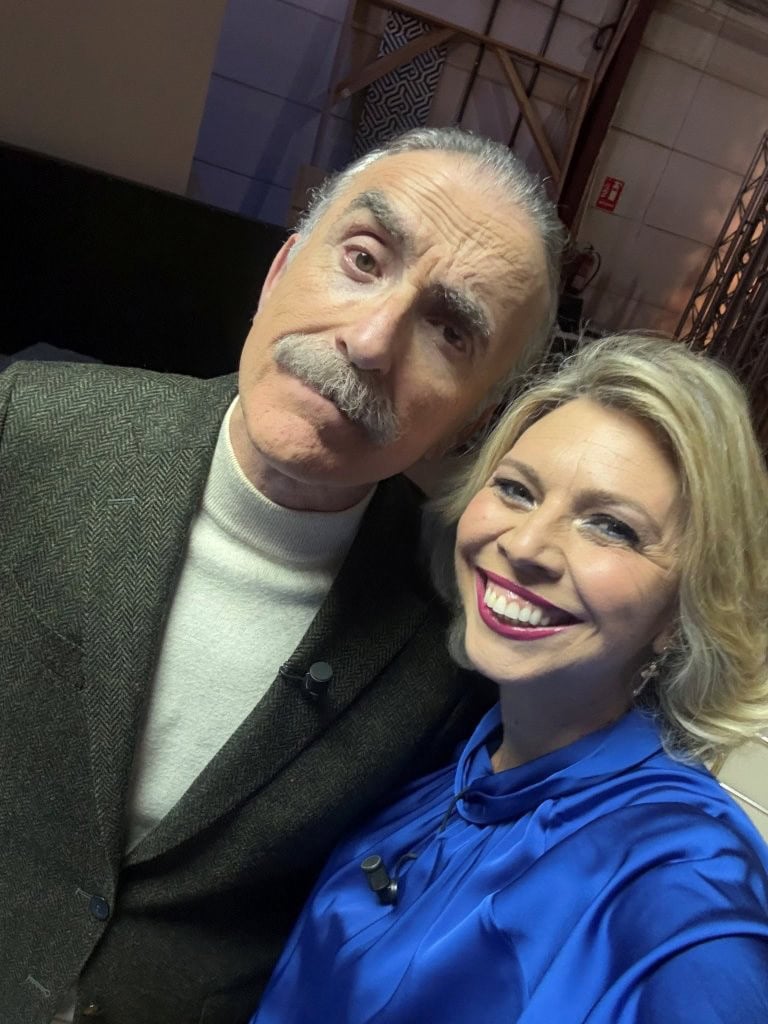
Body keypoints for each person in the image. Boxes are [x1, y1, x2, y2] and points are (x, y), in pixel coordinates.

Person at [0, 127, 564, 1024]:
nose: (371, 340)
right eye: (363, 258)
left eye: (450, 330)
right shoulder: (30, 429)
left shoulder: (453, 639)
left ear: (473, 420)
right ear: (279, 271)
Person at [252, 334, 768, 1024]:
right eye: (517, 490)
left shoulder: (685, 888)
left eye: (611, 528)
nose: (525, 546)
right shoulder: (462, 755)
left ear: (682, 612)